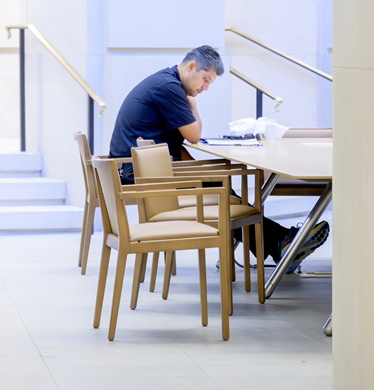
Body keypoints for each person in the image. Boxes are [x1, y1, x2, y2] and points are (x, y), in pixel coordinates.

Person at [108, 46, 330, 272]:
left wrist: (203, 171)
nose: (204, 88)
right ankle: (280, 242)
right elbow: (194, 136)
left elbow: (178, 147)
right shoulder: (169, 88)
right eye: (205, 80)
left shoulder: (167, 82)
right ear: (191, 66)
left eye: (210, 83)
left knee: (219, 185)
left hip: (139, 169)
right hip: (136, 174)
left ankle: (279, 243)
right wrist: (193, 106)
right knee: (220, 190)